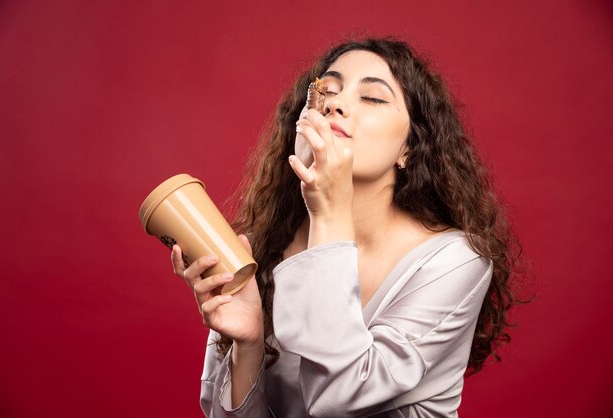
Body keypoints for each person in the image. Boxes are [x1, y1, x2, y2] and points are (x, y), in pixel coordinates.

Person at [171, 37, 521, 417]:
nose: (336, 103)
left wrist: (330, 216)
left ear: (409, 148)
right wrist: (249, 344)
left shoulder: (454, 261)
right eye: (327, 91)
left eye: (372, 98)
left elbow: (338, 400)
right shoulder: (257, 252)